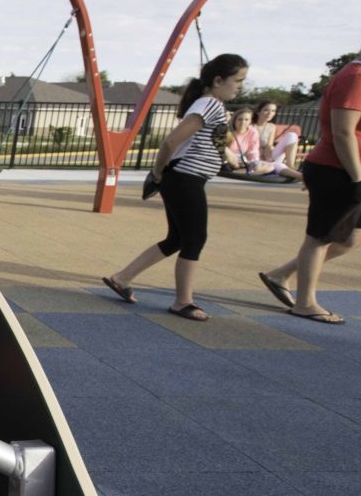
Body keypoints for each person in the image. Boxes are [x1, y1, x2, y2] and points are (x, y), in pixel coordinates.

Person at [256, 17, 361, 323]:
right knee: (321, 236)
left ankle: (281, 275)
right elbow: (343, 131)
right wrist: (356, 175)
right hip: (339, 169)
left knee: (356, 238)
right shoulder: (357, 76)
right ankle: (305, 302)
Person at [101, 53, 250, 321]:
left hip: (184, 178)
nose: (240, 86)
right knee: (195, 239)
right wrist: (157, 174)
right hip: (185, 179)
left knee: (177, 239)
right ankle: (183, 301)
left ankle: (122, 278)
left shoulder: (208, 104)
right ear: (218, 80)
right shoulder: (209, 104)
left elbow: (199, 144)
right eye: (238, 80)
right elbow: (170, 142)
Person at [253, 99, 304, 176]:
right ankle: (285, 170)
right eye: (266, 110)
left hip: (268, 156)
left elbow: (269, 145)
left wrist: (268, 158)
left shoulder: (271, 126)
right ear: (258, 111)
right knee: (276, 165)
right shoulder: (251, 126)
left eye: (273, 111)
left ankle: (290, 167)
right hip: (255, 157)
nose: (270, 113)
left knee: (292, 135)